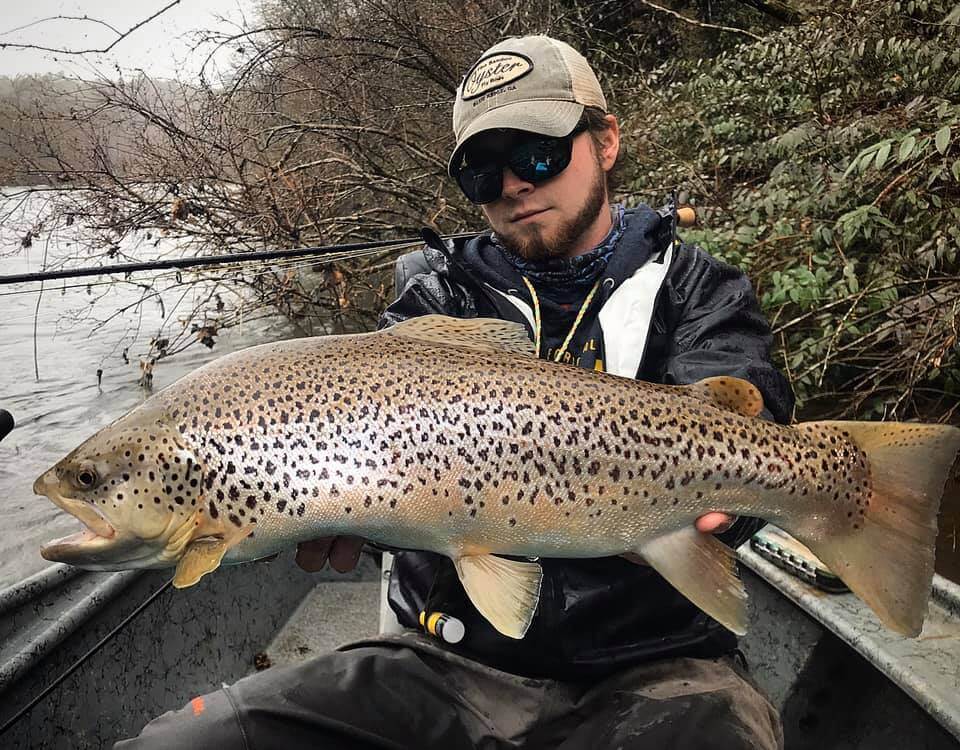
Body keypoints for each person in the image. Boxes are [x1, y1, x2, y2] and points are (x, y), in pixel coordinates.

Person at [116, 35, 793, 749]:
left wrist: (728, 507)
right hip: (447, 665)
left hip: (662, 667)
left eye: (537, 152)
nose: (512, 185)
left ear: (606, 141)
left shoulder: (697, 288)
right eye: (481, 170)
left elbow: (746, 404)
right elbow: (384, 490)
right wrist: (339, 521)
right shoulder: (431, 300)